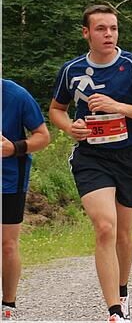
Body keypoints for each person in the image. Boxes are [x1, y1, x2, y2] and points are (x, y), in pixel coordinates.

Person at [49, 5, 132, 322]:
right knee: (105, 227)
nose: (109, 35)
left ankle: (123, 290)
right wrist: (68, 126)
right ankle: (114, 311)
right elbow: (57, 110)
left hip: (129, 156)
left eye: (113, 28)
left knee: (124, 234)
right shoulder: (71, 70)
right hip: (92, 158)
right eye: (101, 29)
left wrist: (118, 106)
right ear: (86, 32)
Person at [2, 80, 50, 320]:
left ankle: (8, 303)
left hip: (9, 180)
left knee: (7, 244)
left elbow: (43, 136)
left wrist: (14, 147)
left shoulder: (17, 95)